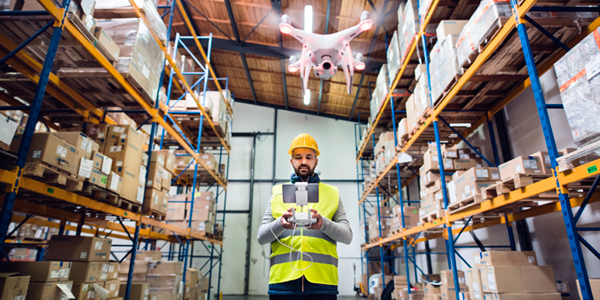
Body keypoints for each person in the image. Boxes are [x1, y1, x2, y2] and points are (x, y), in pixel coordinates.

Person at [257, 133, 353, 299]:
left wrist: (324, 224)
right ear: (291, 161)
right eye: (298, 157)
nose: (303, 161)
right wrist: (280, 224)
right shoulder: (277, 193)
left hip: (322, 284)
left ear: (316, 161)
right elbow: (261, 237)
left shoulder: (332, 193)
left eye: (309, 157)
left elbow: (347, 236)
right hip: (283, 283)